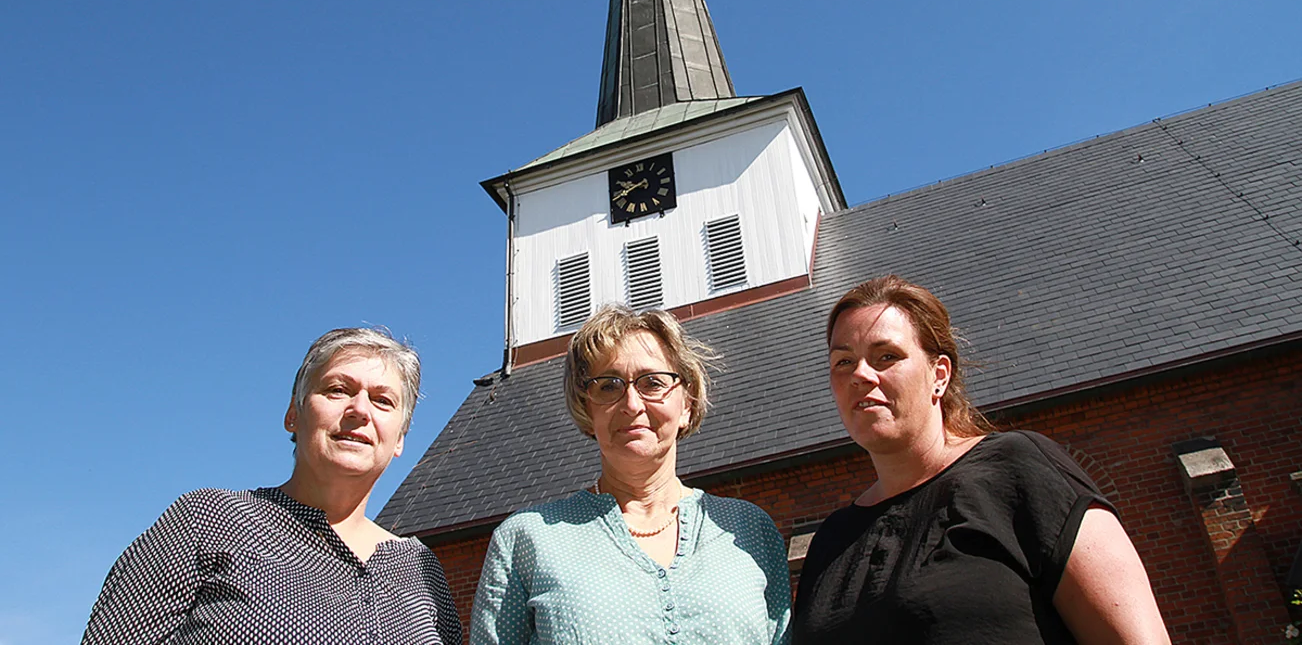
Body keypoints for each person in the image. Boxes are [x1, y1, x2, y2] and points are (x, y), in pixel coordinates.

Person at [792, 276, 1170, 644]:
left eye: (886, 356)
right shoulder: (831, 541)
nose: (860, 374)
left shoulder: (1017, 471)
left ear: (938, 375)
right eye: (843, 362)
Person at [83, 328, 462, 645]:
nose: (360, 410)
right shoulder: (207, 521)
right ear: (293, 415)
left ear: (400, 439)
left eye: (382, 400)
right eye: (337, 390)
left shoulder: (422, 571)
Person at [471, 305, 791, 644]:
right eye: (608, 386)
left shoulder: (749, 530)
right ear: (586, 408)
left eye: (653, 382)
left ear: (687, 404)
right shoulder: (527, 540)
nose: (632, 404)